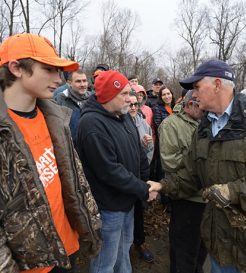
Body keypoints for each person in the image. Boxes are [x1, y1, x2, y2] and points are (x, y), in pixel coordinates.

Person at [148, 59, 246, 273]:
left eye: (196, 87)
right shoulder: (204, 128)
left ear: (216, 84)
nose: (193, 95)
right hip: (221, 243)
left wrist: (233, 192)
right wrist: (163, 186)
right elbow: (192, 173)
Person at [0, 33, 101, 273]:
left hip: (67, 250)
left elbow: (75, 180)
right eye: (49, 69)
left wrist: (90, 222)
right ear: (16, 68)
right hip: (29, 266)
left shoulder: (56, 119)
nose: (59, 79)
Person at [76, 70, 158, 273]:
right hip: (109, 207)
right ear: (107, 96)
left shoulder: (123, 116)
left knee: (124, 249)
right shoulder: (92, 124)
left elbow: (137, 151)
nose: (130, 99)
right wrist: (143, 189)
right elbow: (109, 171)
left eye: (130, 93)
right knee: (106, 260)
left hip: (128, 201)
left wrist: (144, 181)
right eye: (124, 94)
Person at [158, 90, 207, 273]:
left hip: (205, 197)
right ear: (189, 105)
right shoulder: (171, 125)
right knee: (184, 250)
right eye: (201, 105)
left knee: (202, 248)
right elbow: (170, 161)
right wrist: (201, 160)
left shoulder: (204, 122)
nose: (205, 109)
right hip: (186, 198)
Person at [128, 91, 155, 262]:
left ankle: (139, 242)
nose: (132, 107)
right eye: (129, 104)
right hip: (123, 175)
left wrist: (145, 147)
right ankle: (124, 245)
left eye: (135, 104)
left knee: (138, 211)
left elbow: (150, 151)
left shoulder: (143, 124)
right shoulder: (117, 121)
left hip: (139, 174)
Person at [55, 70, 91, 142]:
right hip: (71, 146)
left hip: (89, 145)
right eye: (78, 81)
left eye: (84, 81)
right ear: (70, 83)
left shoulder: (93, 98)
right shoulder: (61, 99)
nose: (82, 84)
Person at [150, 85, 175, 182]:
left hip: (175, 142)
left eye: (168, 93)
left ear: (172, 95)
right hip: (163, 143)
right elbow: (159, 127)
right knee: (162, 168)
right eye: (164, 94)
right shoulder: (157, 108)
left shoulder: (175, 107)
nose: (167, 96)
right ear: (160, 97)